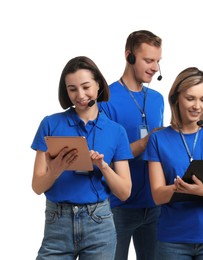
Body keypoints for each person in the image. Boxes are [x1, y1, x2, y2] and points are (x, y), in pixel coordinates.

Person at [31, 56, 133, 260]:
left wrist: (103, 166)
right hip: (57, 221)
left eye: (86, 86)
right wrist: (57, 169)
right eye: (72, 89)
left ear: (98, 85)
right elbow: (37, 186)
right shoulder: (50, 124)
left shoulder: (116, 131)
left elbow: (124, 192)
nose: (80, 95)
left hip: (99, 223)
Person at [143, 67, 203, 260]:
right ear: (176, 98)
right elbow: (157, 195)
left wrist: (201, 191)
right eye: (191, 98)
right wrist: (183, 188)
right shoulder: (158, 139)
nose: (197, 106)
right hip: (172, 241)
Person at [99, 29, 164, 260]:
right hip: (118, 206)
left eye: (158, 61)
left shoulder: (157, 99)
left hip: (155, 204)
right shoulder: (105, 99)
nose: (155, 67)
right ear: (129, 56)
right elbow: (105, 157)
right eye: (149, 60)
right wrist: (146, 142)